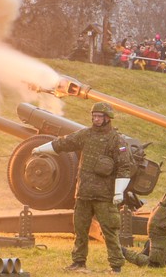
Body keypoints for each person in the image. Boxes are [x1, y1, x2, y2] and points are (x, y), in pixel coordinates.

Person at [34, 102, 134, 273]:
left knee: (110, 231)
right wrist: (39, 149)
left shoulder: (118, 141)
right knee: (80, 231)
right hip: (84, 194)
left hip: (105, 196)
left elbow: (125, 167)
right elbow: (64, 143)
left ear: (107, 119)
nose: (96, 119)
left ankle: (116, 266)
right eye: (94, 116)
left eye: (99, 117)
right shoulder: (85, 135)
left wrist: (118, 191)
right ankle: (79, 263)